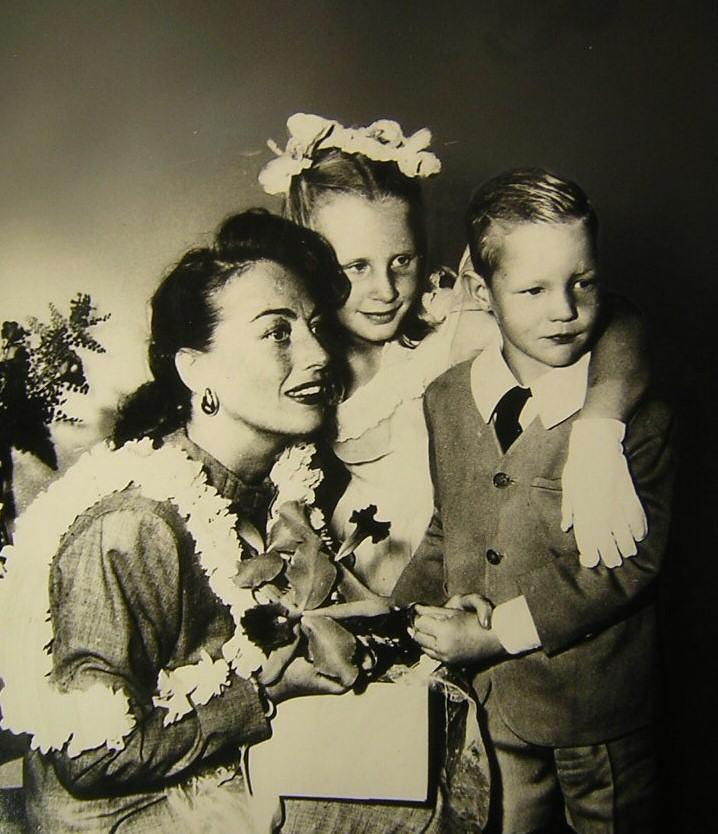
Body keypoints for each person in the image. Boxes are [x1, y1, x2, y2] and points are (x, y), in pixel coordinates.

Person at [0, 209, 353, 834]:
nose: (320, 354)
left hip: (240, 780)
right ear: (196, 371)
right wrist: (264, 693)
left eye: (316, 328)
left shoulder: (276, 491)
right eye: (278, 333)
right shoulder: (133, 526)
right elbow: (90, 754)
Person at [260, 114, 650, 597]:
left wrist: (599, 429)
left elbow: (618, 323)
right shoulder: (303, 365)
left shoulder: (449, 330)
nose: (385, 290)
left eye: (402, 260)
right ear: (311, 265)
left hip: (468, 564)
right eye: (356, 267)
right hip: (365, 568)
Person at [393, 168, 674, 833]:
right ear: (481, 292)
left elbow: (629, 566)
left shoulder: (638, 410)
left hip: (595, 718)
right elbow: (447, 528)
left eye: (583, 281)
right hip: (490, 711)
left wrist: (493, 633)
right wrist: (401, 619)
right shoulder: (446, 399)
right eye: (533, 289)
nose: (564, 310)